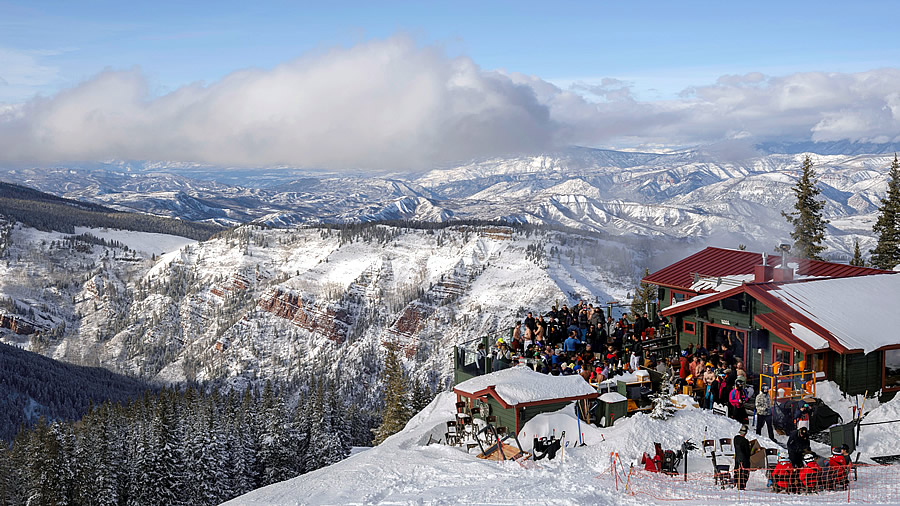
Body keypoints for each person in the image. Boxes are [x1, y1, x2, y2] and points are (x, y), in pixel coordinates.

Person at [733, 424, 751, 490]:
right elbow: (748, 452)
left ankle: (735, 483)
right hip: (744, 460)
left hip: (737, 458)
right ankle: (742, 486)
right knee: (744, 473)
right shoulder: (745, 441)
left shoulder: (735, 438)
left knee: (737, 472)